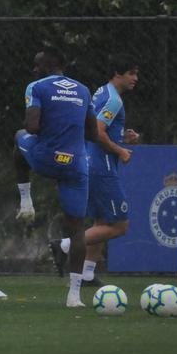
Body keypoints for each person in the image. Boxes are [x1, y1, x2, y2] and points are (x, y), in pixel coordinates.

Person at [13, 46, 113, 308]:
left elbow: (32, 126)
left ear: (49, 65)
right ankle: (74, 295)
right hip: (76, 165)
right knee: (77, 229)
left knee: (17, 138)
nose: (34, 69)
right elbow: (92, 133)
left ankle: (25, 201)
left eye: (38, 65)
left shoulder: (36, 86)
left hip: (46, 158)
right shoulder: (82, 89)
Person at [48, 57, 138, 282]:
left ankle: (87, 275)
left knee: (103, 222)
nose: (135, 78)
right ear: (117, 73)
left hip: (90, 161)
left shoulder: (101, 92)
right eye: (131, 73)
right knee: (120, 225)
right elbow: (98, 131)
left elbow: (97, 127)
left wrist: (122, 137)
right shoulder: (114, 100)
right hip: (102, 167)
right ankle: (64, 245)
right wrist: (120, 150)